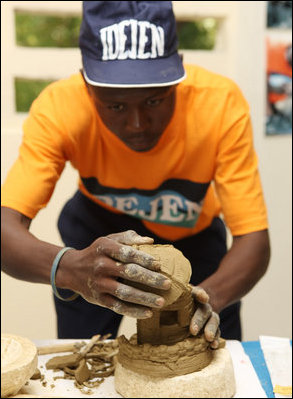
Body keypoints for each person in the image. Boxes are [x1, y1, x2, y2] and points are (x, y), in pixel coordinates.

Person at [1, 1, 270, 345]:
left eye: (155, 101)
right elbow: (6, 227)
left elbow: (255, 242)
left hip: (195, 238)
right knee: (85, 358)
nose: (137, 124)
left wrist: (208, 298)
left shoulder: (219, 103)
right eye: (115, 106)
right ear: (86, 85)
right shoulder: (59, 108)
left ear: (179, 73)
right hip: (97, 230)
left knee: (214, 357)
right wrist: (72, 269)